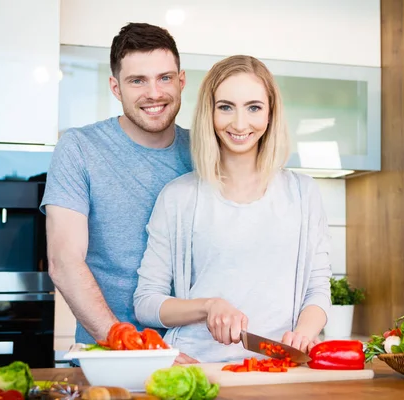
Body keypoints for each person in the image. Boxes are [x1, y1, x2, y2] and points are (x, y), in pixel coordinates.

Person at [133, 55, 332, 363]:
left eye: (254, 107)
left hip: (280, 368)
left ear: (270, 113)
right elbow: (146, 303)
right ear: (209, 113)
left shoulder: (303, 194)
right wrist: (208, 306)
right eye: (226, 107)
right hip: (198, 366)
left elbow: (318, 290)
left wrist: (304, 333)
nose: (240, 123)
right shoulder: (179, 197)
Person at [41, 23, 197, 363]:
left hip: (199, 353)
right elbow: (64, 261)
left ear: (181, 80)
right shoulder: (79, 147)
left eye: (165, 78)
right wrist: (129, 348)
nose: (154, 93)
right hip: (111, 356)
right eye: (137, 80)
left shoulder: (205, 152)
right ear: (116, 87)